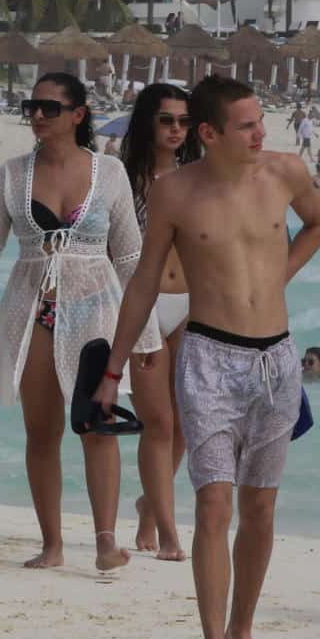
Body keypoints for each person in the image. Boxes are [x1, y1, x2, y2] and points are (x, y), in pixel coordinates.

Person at [95, 74, 320, 639]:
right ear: (210, 133)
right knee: (214, 503)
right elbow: (145, 281)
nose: (261, 132)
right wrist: (113, 368)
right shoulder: (176, 193)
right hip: (209, 358)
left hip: (276, 360)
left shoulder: (285, 172)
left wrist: (281, 276)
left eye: (261, 120)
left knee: (260, 507)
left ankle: (242, 629)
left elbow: (319, 223)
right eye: (247, 125)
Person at [0, 73, 159, 570]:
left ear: (79, 115)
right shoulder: (12, 174)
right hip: (30, 309)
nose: (37, 115)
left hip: (96, 309)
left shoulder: (110, 174)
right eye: (31, 106)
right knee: (41, 433)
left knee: (97, 426)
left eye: (49, 107)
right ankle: (52, 545)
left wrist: (145, 336)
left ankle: (106, 541)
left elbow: (129, 258)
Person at [122, 82, 199, 563]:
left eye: (184, 121)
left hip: (190, 305)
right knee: (159, 421)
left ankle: (151, 506)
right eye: (167, 119)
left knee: (185, 426)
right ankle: (168, 530)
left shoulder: (197, 178)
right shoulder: (123, 178)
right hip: (143, 305)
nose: (176, 129)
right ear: (148, 121)